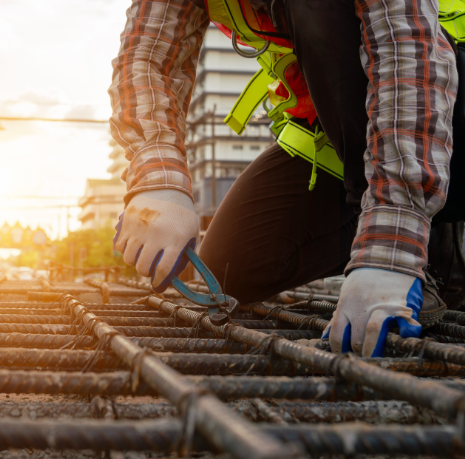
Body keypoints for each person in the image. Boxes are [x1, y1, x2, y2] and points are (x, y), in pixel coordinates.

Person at [110, 0, 465, 357]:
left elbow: (407, 62)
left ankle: (427, 247)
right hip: (341, 137)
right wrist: (159, 180)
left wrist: (393, 242)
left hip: (439, 110)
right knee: (234, 269)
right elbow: (146, 58)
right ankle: (412, 235)